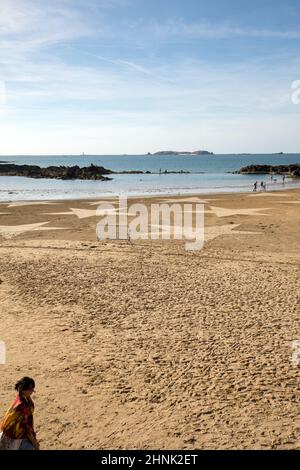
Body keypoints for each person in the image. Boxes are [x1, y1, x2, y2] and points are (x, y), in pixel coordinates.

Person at [0, 377, 39, 450]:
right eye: (31, 390)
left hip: (12, 433)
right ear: (24, 391)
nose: (32, 391)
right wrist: (35, 443)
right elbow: (26, 428)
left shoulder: (22, 397)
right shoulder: (22, 406)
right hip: (13, 437)